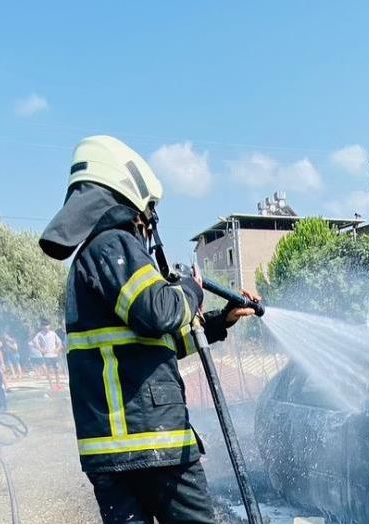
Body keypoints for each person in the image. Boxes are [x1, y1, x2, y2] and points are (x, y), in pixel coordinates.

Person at [39, 135, 259, 524]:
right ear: (127, 198)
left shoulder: (97, 259)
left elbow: (159, 343)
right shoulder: (112, 246)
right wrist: (193, 286)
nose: (148, 222)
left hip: (121, 451)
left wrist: (221, 321)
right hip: (151, 446)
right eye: (148, 211)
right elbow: (160, 311)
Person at [30, 320, 64, 387]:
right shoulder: (40, 334)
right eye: (45, 325)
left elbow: (59, 342)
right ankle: (51, 385)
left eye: (48, 325)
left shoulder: (53, 333)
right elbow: (34, 342)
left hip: (54, 355)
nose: (46, 327)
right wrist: (41, 349)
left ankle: (58, 384)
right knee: (48, 370)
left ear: (50, 325)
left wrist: (57, 349)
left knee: (56, 370)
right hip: (46, 355)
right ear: (42, 326)